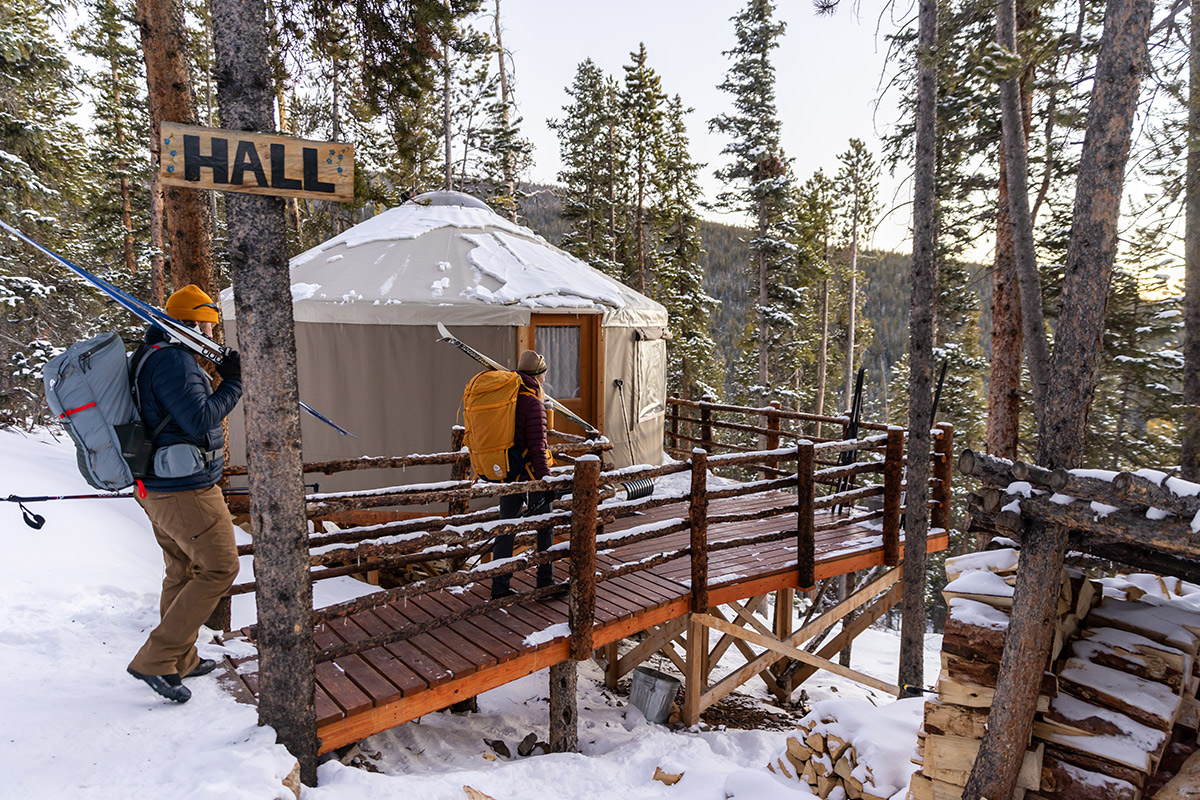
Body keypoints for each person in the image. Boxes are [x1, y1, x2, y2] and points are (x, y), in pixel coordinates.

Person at [125, 284, 243, 704]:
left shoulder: (152, 354)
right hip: (183, 489)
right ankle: (156, 660)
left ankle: (181, 659)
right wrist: (233, 381)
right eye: (208, 326)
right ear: (190, 323)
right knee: (219, 568)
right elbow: (199, 419)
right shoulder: (174, 361)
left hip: (158, 484)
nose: (212, 334)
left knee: (181, 568)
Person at [491, 349, 555, 598]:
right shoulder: (533, 403)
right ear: (539, 374)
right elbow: (538, 447)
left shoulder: (509, 395)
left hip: (508, 472)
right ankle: (545, 582)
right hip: (528, 474)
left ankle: (500, 588)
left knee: (506, 528)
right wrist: (545, 481)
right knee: (545, 526)